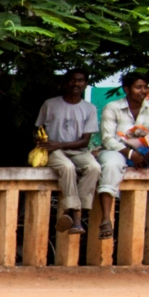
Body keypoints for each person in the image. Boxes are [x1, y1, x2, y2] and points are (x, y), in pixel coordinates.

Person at [38, 69, 99, 236]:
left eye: (80, 80)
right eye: (72, 80)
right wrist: (41, 141)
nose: (76, 84)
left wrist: (60, 144)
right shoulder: (50, 104)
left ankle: (73, 213)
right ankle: (77, 217)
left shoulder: (90, 108)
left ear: (85, 84)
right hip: (54, 151)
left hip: (78, 150)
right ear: (65, 83)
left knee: (94, 167)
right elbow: (38, 128)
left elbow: (85, 141)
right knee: (67, 167)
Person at [97, 71, 149, 239]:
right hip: (118, 150)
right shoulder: (112, 108)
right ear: (127, 89)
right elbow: (107, 139)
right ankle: (106, 219)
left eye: (145, 87)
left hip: (145, 152)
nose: (142, 91)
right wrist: (129, 153)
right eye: (138, 87)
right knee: (111, 164)